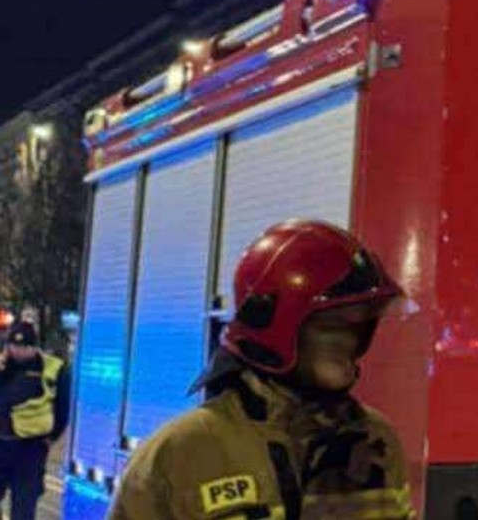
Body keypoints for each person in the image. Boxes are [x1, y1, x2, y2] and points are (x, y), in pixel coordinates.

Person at [111, 220, 412, 520]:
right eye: (332, 326)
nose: (349, 343)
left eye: (359, 327)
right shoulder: (180, 454)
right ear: (273, 328)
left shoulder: (377, 440)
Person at [0, 321, 69, 520]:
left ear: (35, 347)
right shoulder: (2, 366)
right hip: (0, 444)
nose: (19, 351)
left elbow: (63, 407)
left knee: (23, 508)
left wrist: (51, 438)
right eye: (14, 346)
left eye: (25, 347)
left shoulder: (52, 368)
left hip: (30, 449)